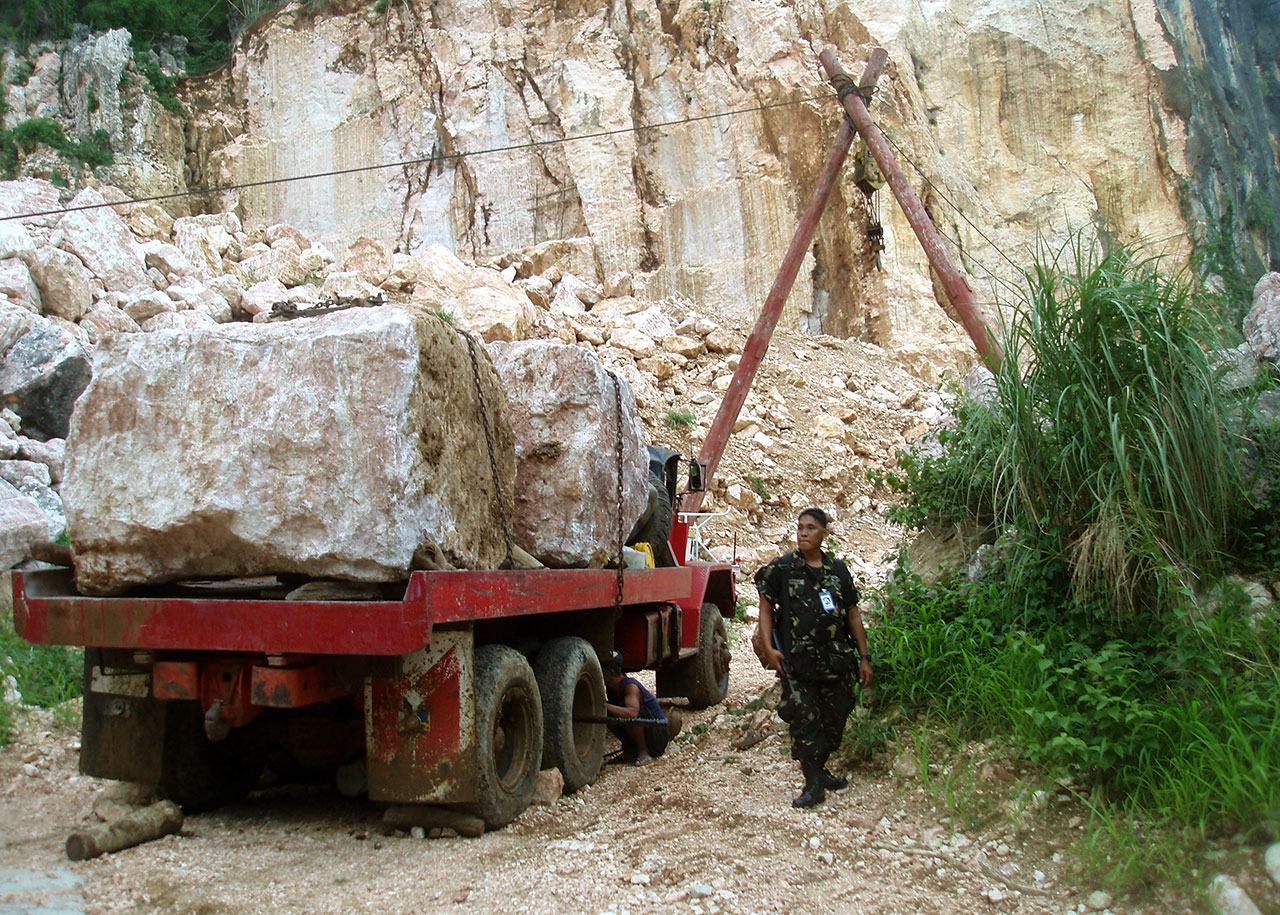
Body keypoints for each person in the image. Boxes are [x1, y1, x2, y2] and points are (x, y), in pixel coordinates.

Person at [754, 507, 872, 808]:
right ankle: (813, 783)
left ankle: (821, 771)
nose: (803, 533)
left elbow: (853, 615)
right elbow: (766, 609)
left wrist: (864, 656)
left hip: (836, 661)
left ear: (824, 534)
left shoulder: (838, 571)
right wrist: (769, 648)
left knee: (835, 719)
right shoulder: (782, 569)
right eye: (800, 527)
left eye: (811, 528)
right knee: (805, 719)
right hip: (799, 662)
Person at [601, 651, 669, 766]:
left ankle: (643, 751)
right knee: (610, 712)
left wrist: (605, 705)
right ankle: (630, 749)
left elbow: (633, 713)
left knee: (630, 712)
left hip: (657, 738)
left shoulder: (630, 686)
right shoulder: (612, 688)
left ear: (611, 672)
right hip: (648, 733)